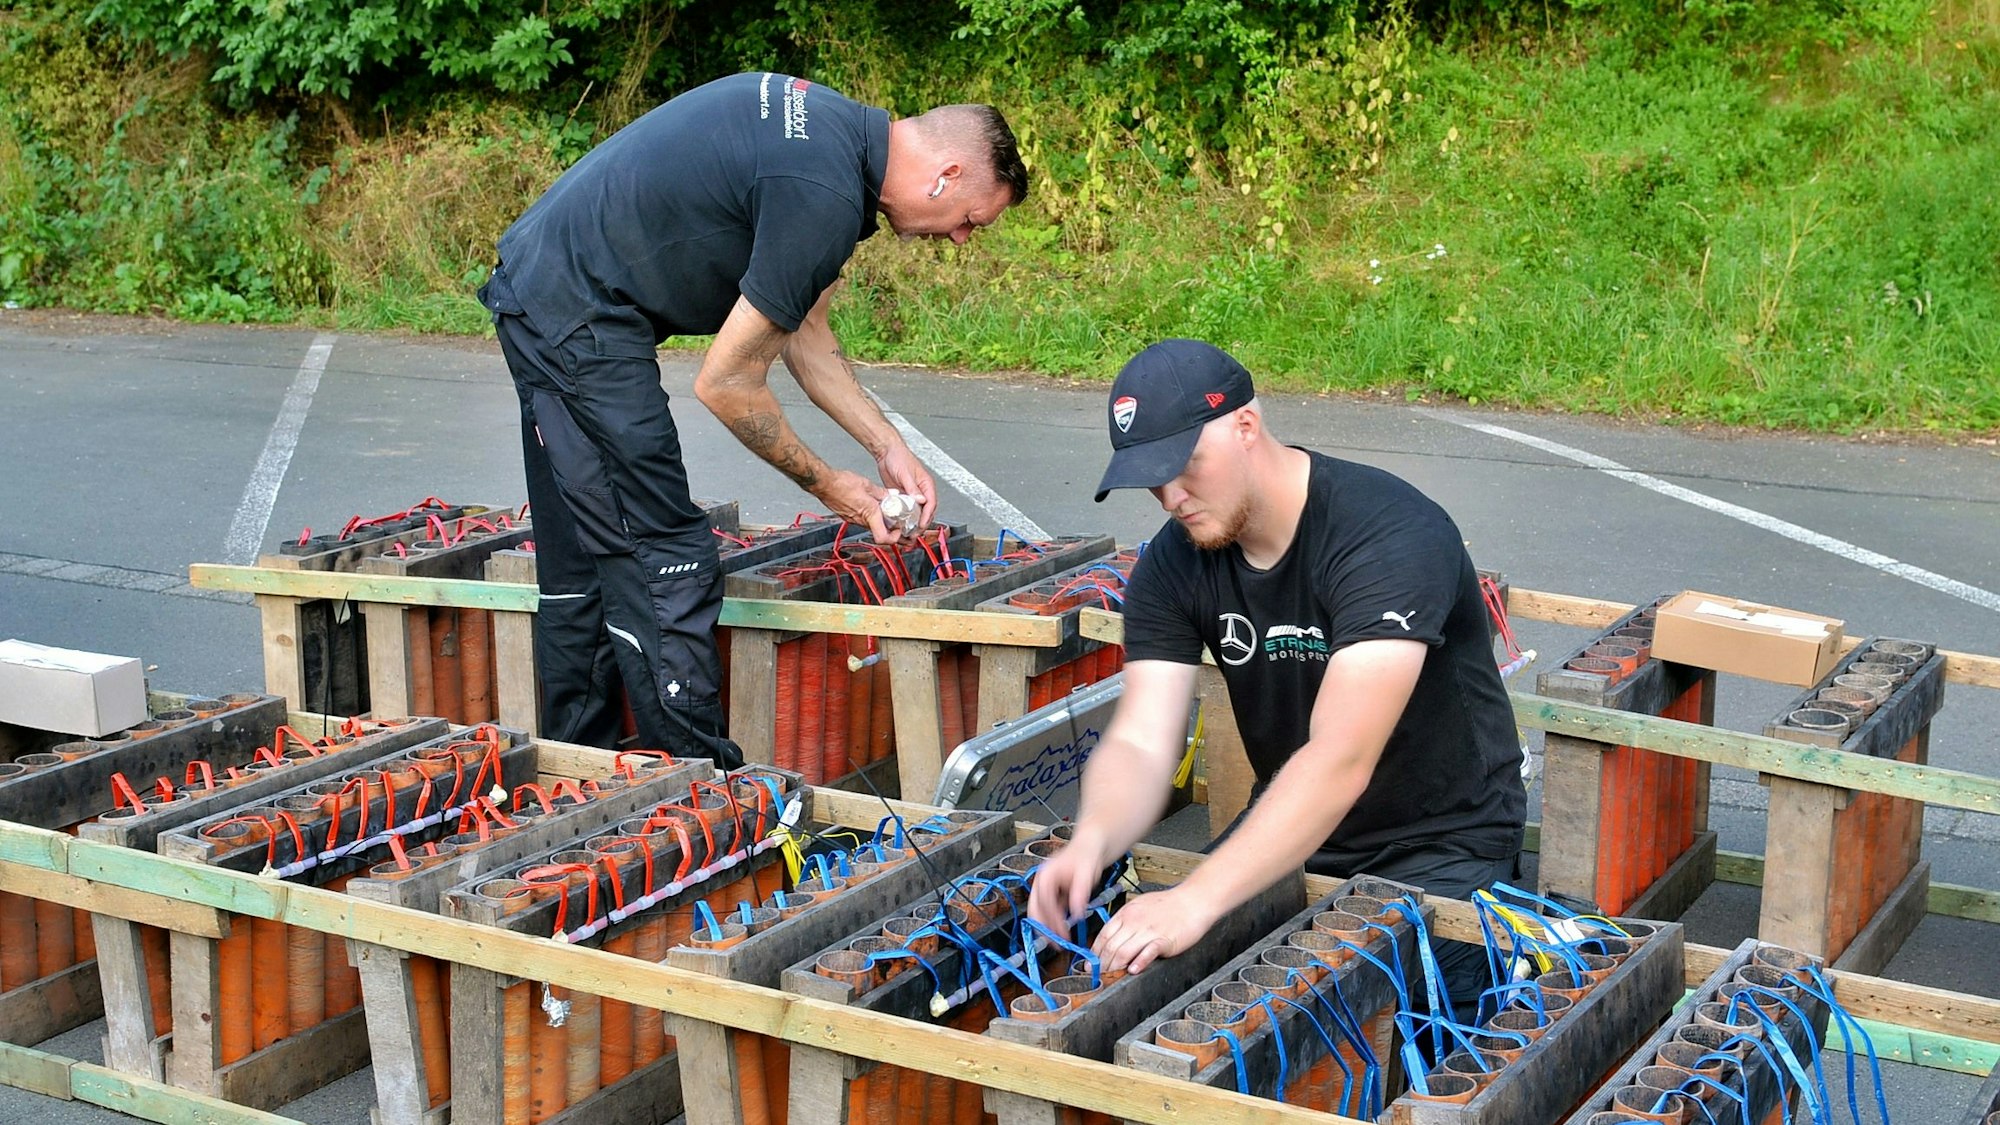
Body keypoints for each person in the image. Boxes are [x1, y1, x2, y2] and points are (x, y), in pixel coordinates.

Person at [477, 73, 1028, 762]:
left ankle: (579, 770)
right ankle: (692, 790)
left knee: (590, 554)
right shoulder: (824, 195)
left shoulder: (837, 140)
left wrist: (886, 447)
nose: (962, 240)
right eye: (973, 219)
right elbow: (728, 383)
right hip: (577, 312)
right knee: (666, 554)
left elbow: (804, 330)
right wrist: (835, 487)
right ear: (947, 175)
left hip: (549, 288)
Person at [1026, 338, 1525, 1024]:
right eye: (1151, 479)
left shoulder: (1388, 533)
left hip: (1440, 845)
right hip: (1292, 833)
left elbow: (1339, 757)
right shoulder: (1175, 564)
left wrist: (1196, 897)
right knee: (1174, 998)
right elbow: (1143, 738)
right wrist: (1092, 839)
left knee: (1393, 1041)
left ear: (1246, 427)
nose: (1171, 496)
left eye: (1185, 466)